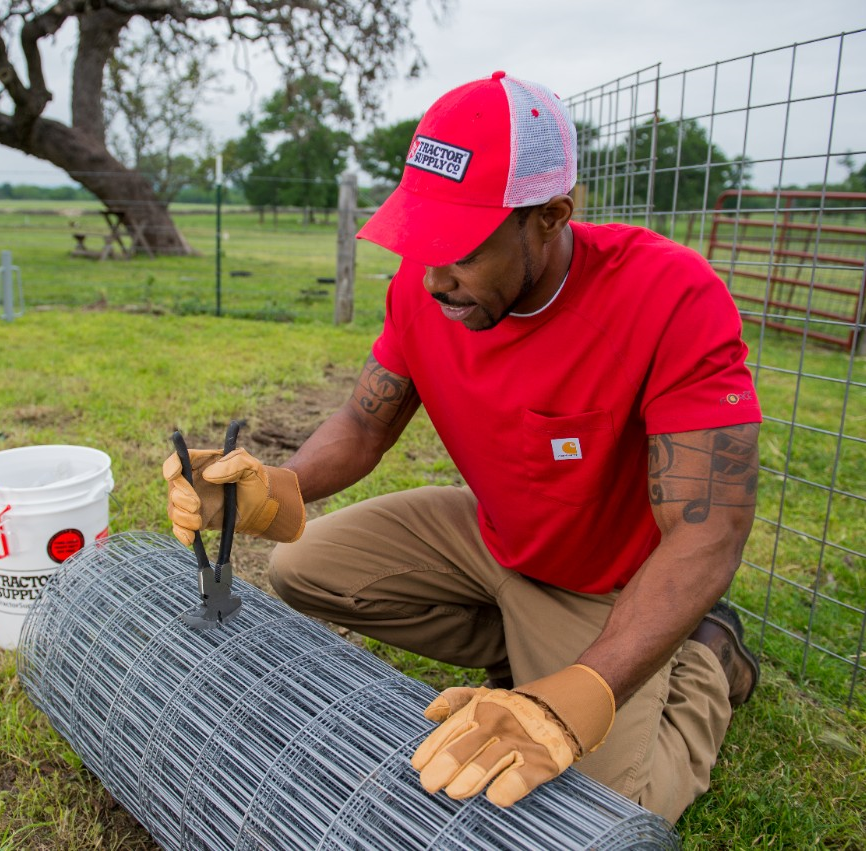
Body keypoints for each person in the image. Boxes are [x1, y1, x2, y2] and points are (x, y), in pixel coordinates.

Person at [163, 71, 762, 823]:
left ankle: (705, 659)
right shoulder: (424, 288)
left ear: (549, 216)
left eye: (463, 249)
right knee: (300, 566)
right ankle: (524, 646)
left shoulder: (670, 298)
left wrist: (581, 694)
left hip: (605, 582)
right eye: (422, 241)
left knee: (605, 810)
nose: (436, 278)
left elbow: (711, 529)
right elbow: (362, 422)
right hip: (494, 537)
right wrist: (274, 486)